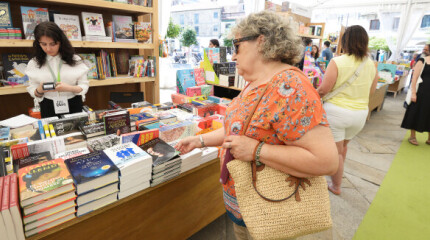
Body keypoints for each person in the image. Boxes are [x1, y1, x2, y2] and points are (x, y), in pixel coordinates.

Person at [175, 11, 338, 240]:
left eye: (236, 46)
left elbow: (327, 160)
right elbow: (237, 130)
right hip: (244, 207)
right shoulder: (255, 82)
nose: (233, 55)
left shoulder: (291, 87)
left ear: (261, 40)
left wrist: (256, 151)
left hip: (272, 213)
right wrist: (200, 140)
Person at [317, 25, 379, 195]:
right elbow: (371, 91)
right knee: (343, 148)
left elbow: (324, 90)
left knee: (335, 152)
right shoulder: (372, 65)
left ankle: (336, 186)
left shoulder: (337, 62)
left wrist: (312, 96)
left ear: (345, 41)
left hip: (337, 114)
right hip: (359, 115)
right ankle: (336, 179)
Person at [26, 22, 89, 118]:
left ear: (60, 41)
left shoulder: (75, 59)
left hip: (73, 103)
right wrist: (39, 90)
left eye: (53, 44)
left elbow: (84, 85)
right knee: (51, 131)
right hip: (47, 105)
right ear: (38, 43)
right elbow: (32, 88)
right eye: (43, 44)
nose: (48, 48)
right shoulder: (33, 63)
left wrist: (69, 88)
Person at [401, 43, 430, 145]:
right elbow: (414, 78)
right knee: (415, 112)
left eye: (426, 49)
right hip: (420, 92)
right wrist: (413, 93)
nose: (424, 50)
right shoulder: (421, 61)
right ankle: (412, 136)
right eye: (424, 49)